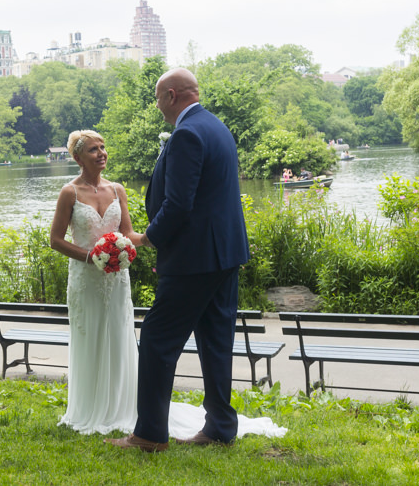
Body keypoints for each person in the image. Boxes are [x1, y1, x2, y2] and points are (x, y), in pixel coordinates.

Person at [106, 67, 285, 453]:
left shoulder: (187, 133)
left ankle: (150, 434)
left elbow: (179, 204)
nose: (157, 107)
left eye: (157, 99)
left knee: (157, 338)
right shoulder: (216, 127)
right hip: (224, 254)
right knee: (216, 339)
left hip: (194, 258)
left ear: (171, 95)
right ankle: (220, 425)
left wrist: (147, 238)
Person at [48, 130, 205, 438]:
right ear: (78, 158)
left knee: (120, 335)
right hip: (86, 280)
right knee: (90, 336)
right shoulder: (70, 193)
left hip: (117, 278)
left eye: (103, 147)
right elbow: (55, 240)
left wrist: (151, 240)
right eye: (94, 149)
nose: (102, 153)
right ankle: (91, 407)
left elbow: (128, 233)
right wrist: (90, 256)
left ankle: (126, 406)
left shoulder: (117, 189)